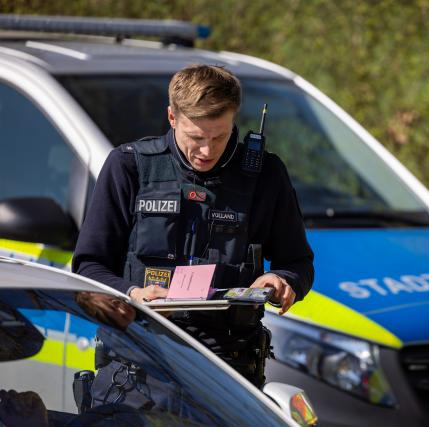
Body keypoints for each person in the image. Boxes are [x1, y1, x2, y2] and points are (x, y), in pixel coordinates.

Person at [72, 64, 314, 395]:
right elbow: (88, 265)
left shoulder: (265, 175)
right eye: (196, 137)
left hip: (228, 371)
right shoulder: (128, 166)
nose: (206, 151)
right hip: (139, 365)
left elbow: (298, 262)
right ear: (172, 118)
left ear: (234, 121)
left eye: (220, 136)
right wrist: (133, 294)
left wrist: (282, 280)